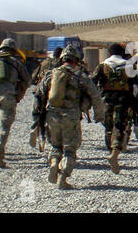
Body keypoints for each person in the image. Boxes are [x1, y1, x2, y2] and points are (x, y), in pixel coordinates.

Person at [35, 45, 104, 189]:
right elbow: (96, 96)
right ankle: (63, 178)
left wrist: (37, 117)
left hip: (52, 115)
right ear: (76, 60)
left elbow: (38, 94)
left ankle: (54, 162)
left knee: (55, 145)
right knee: (70, 149)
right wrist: (99, 116)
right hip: (71, 116)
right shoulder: (81, 76)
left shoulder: (51, 74)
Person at [0, 38, 31, 168]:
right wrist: (19, 91)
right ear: (13, 50)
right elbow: (27, 81)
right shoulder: (16, 63)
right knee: (4, 127)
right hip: (8, 97)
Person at [91, 43, 133, 174]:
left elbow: (92, 82)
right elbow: (137, 86)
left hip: (106, 101)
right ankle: (115, 153)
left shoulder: (103, 65)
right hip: (124, 101)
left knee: (108, 127)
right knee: (119, 127)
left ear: (109, 53)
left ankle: (110, 149)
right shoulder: (129, 66)